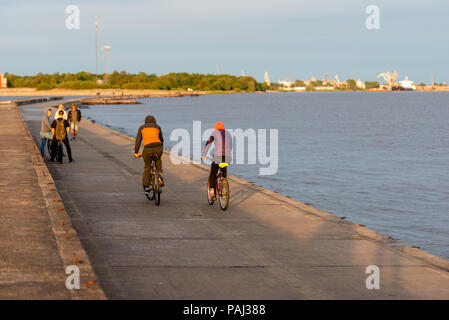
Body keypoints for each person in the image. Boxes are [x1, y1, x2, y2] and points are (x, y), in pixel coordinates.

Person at [201, 121, 232, 201]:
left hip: (218, 157)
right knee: (223, 169)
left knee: (213, 174)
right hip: (228, 157)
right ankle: (224, 182)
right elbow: (230, 145)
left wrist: (204, 155)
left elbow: (208, 143)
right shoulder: (228, 133)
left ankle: (212, 192)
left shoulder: (214, 133)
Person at [134, 115, 164, 192]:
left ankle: (147, 187)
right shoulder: (157, 127)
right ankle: (159, 174)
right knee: (158, 159)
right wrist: (160, 148)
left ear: (145, 121)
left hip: (148, 149)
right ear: (154, 121)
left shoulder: (142, 127)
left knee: (147, 166)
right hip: (158, 147)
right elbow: (161, 139)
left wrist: (136, 152)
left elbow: (138, 141)